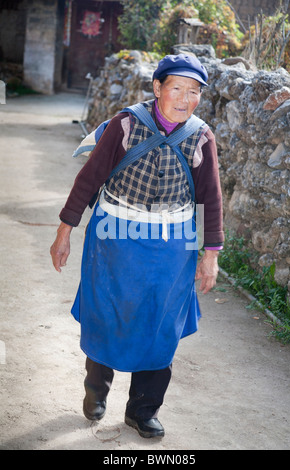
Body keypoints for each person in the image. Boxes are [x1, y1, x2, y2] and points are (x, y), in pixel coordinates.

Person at [50, 54, 224, 439]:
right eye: (176, 87)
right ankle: (96, 391)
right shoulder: (126, 124)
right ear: (158, 88)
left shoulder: (201, 136)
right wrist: (65, 230)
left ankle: (143, 410)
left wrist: (209, 255)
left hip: (171, 248)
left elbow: (210, 199)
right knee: (107, 312)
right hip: (114, 238)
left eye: (193, 91)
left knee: (160, 323)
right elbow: (90, 177)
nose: (184, 98)